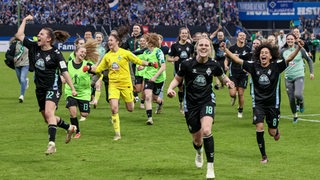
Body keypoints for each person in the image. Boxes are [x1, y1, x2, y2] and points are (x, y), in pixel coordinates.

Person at [220, 38, 305, 164]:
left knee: (272, 132)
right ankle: (264, 156)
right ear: (259, 55)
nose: (263, 54)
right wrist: (225, 49)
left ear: (271, 56)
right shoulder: (253, 66)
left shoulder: (276, 66)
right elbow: (237, 60)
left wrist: (298, 48)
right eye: (261, 53)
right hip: (258, 103)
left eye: (266, 53)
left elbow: (289, 59)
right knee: (259, 127)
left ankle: (276, 130)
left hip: (273, 104)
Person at [167, 37, 234, 179]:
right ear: (196, 48)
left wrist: (228, 82)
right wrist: (170, 88)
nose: (204, 48)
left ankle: (210, 167)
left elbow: (222, 76)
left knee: (207, 130)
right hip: (190, 104)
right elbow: (177, 79)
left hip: (207, 101)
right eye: (201, 45)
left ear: (210, 49)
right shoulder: (186, 64)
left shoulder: (214, 64)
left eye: (206, 45)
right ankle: (199, 151)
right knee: (197, 140)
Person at [15, 15, 78, 155]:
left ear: (48, 39)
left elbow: (65, 71)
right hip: (40, 89)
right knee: (48, 118)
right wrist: (25, 20)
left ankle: (52, 144)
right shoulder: (34, 47)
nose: (38, 36)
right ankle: (69, 128)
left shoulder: (56, 53)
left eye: (41, 34)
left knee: (50, 113)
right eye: (38, 34)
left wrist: (72, 88)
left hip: (53, 87)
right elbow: (19, 35)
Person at [89, 34, 157, 140]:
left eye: (111, 40)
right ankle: (117, 134)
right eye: (108, 41)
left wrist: (150, 64)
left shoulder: (125, 53)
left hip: (126, 85)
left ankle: (132, 100)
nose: (109, 42)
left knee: (130, 108)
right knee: (114, 108)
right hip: (113, 85)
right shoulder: (107, 56)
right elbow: (99, 69)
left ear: (117, 42)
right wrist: (89, 69)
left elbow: (138, 61)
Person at [63, 42, 97, 138]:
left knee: (84, 114)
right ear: (76, 53)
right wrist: (62, 78)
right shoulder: (68, 64)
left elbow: (96, 69)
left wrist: (90, 68)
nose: (83, 54)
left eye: (85, 53)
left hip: (84, 92)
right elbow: (62, 74)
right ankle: (77, 131)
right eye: (81, 52)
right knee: (73, 112)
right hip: (70, 91)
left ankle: (80, 114)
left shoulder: (87, 64)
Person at [281, 33, 314, 123]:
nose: (290, 41)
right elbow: (279, 62)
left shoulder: (301, 49)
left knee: (298, 94)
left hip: (299, 75)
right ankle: (295, 115)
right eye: (288, 39)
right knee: (291, 99)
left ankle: (301, 103)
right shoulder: (283, 51)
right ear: (286, 41)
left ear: (295, 40)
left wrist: (311, 73)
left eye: (291, 39)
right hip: (288, 77)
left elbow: (309, 60)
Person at [140, 33, 166, 125]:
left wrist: (155, 77)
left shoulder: (158, 52)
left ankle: (160, 103)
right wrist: (142, 67)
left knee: (155, 98)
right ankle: (150, 118)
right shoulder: (145, 52)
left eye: (146, 41)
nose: (144, 43)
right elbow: (145, 63)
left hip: (158, 78)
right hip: (148, 77)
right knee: (147, 96)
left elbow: (163, 67)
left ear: (150, 42)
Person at [168, 27, 194, 114]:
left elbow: (193, 57)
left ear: (187, 35)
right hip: (178, 71)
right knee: (181, 88)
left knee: (187, 87)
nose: (184, 35)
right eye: (182, 33)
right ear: (179, 35)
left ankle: (186, 106)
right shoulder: (174, 46)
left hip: (188, 70)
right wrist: (173, 59)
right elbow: (168, 58)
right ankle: (181, 102)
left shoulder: (190, 46)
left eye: (186, 33)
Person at [227, 32, 252, 118]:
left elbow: (249, 61)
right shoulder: (232, 48)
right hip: (233, 73)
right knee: (232, 93)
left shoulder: (248, 49)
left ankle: (240, 110)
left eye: (244, 36)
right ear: (237, 37)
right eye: (240, 36)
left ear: (245, 38)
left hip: (243, 74)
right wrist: (226, 65)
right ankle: (234, 97)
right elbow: (227, 58)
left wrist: (248, 70)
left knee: (241, 93)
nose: (242, 37)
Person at [10, 37, 30, 103]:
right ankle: (25, 82)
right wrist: (12, 58)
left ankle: (21, 96)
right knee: (21, 81)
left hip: (25, 64)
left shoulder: (28, 44)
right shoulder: (14, 44)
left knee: (22, 79)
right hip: (17, 65)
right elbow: (9, 54)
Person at [90, 32, 106, 109]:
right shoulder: (91, 48)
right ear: (94, 38)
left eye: (100, 37)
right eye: (97, 37)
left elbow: (102, 60)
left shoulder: (104, 49)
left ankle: (95, 101)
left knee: (98, 84)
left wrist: (97, 66)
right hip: (91, 69)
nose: (99, 39)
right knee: (90, 84)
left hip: (100, 69)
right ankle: (92, 99)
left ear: (102, 39)